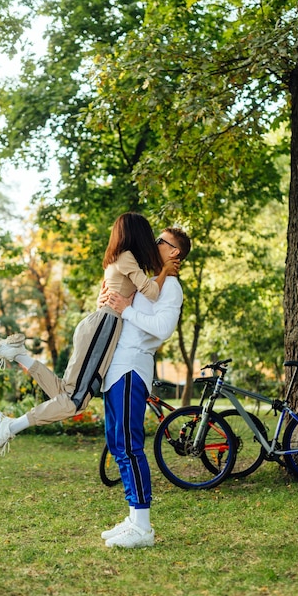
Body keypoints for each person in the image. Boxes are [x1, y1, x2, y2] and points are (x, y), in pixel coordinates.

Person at [0, 212, 180, 459]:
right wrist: (165, 272)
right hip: (104, 327)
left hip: (97, 324)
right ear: (138, 234)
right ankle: (10, 426)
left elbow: (115, 292)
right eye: (152, 236)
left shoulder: (117, 258)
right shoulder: (127, 258)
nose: (154, 241)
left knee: (65, 392)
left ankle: (19, 355)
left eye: (161, 240)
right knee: (75, 401)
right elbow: (150, 292)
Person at [100, 227, 191, 549]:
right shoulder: (152, 282)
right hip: (115, 368)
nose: (154, 244)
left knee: (129, 445)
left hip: (131, 368)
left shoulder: (172, 288)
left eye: (161, 242)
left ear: (174, 253)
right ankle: (133, 517)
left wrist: (128, 310)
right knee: (117, 444)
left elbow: (162, 330)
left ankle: (143, 527)